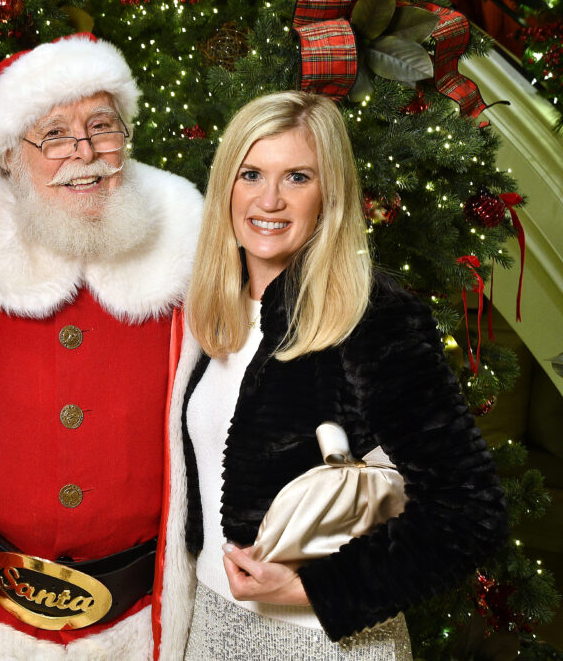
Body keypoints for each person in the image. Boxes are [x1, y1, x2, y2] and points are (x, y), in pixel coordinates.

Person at [0, 34, 203, 659]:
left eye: (101, 126)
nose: (83, 154)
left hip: (143, 628)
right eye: (53, 135)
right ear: (9, 156)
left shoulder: (189, 243)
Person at [175, 90, 509, 658]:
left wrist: (312, 588)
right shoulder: (215, 312)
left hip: (328, 643)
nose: (270, 200)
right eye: (251, 173)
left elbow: (471, 512)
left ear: (330, 193)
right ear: (226, 184)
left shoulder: (371, 314)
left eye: (298, 177)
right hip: (211, 628)